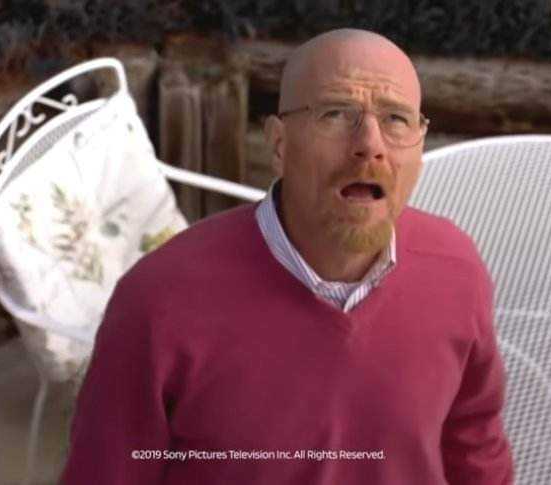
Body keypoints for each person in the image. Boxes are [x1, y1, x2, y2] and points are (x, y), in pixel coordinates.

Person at [61, 28, 514, 484]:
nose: (370, 144)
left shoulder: (457, 270)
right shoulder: (155, 303)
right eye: (336, 113)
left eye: (396, 119)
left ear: (420, 144)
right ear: (279, 144)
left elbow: (474, 441)